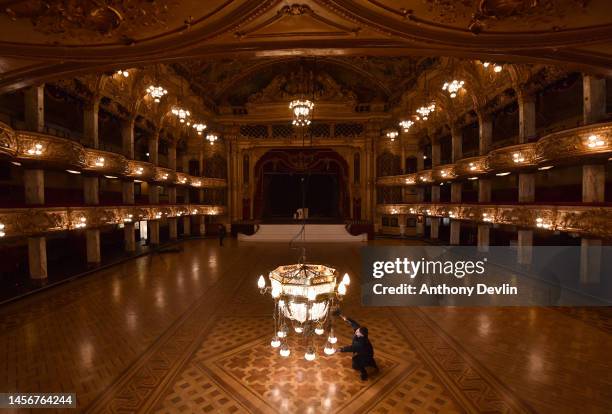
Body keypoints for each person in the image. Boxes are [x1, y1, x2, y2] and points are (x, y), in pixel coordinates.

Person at [338, 314, 378, 380]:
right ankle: (371, 363)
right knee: (362, 361)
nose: (356, 331)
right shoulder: (360, 331)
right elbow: (353, 323)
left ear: (361, 335)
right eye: (358, 330)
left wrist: (340, 350)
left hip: (366, 355)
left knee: (356, 363)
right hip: (367, 352)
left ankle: (364, 373)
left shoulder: (361, 343)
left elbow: (351, 348)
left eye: (358, 332)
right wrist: (346, 318)